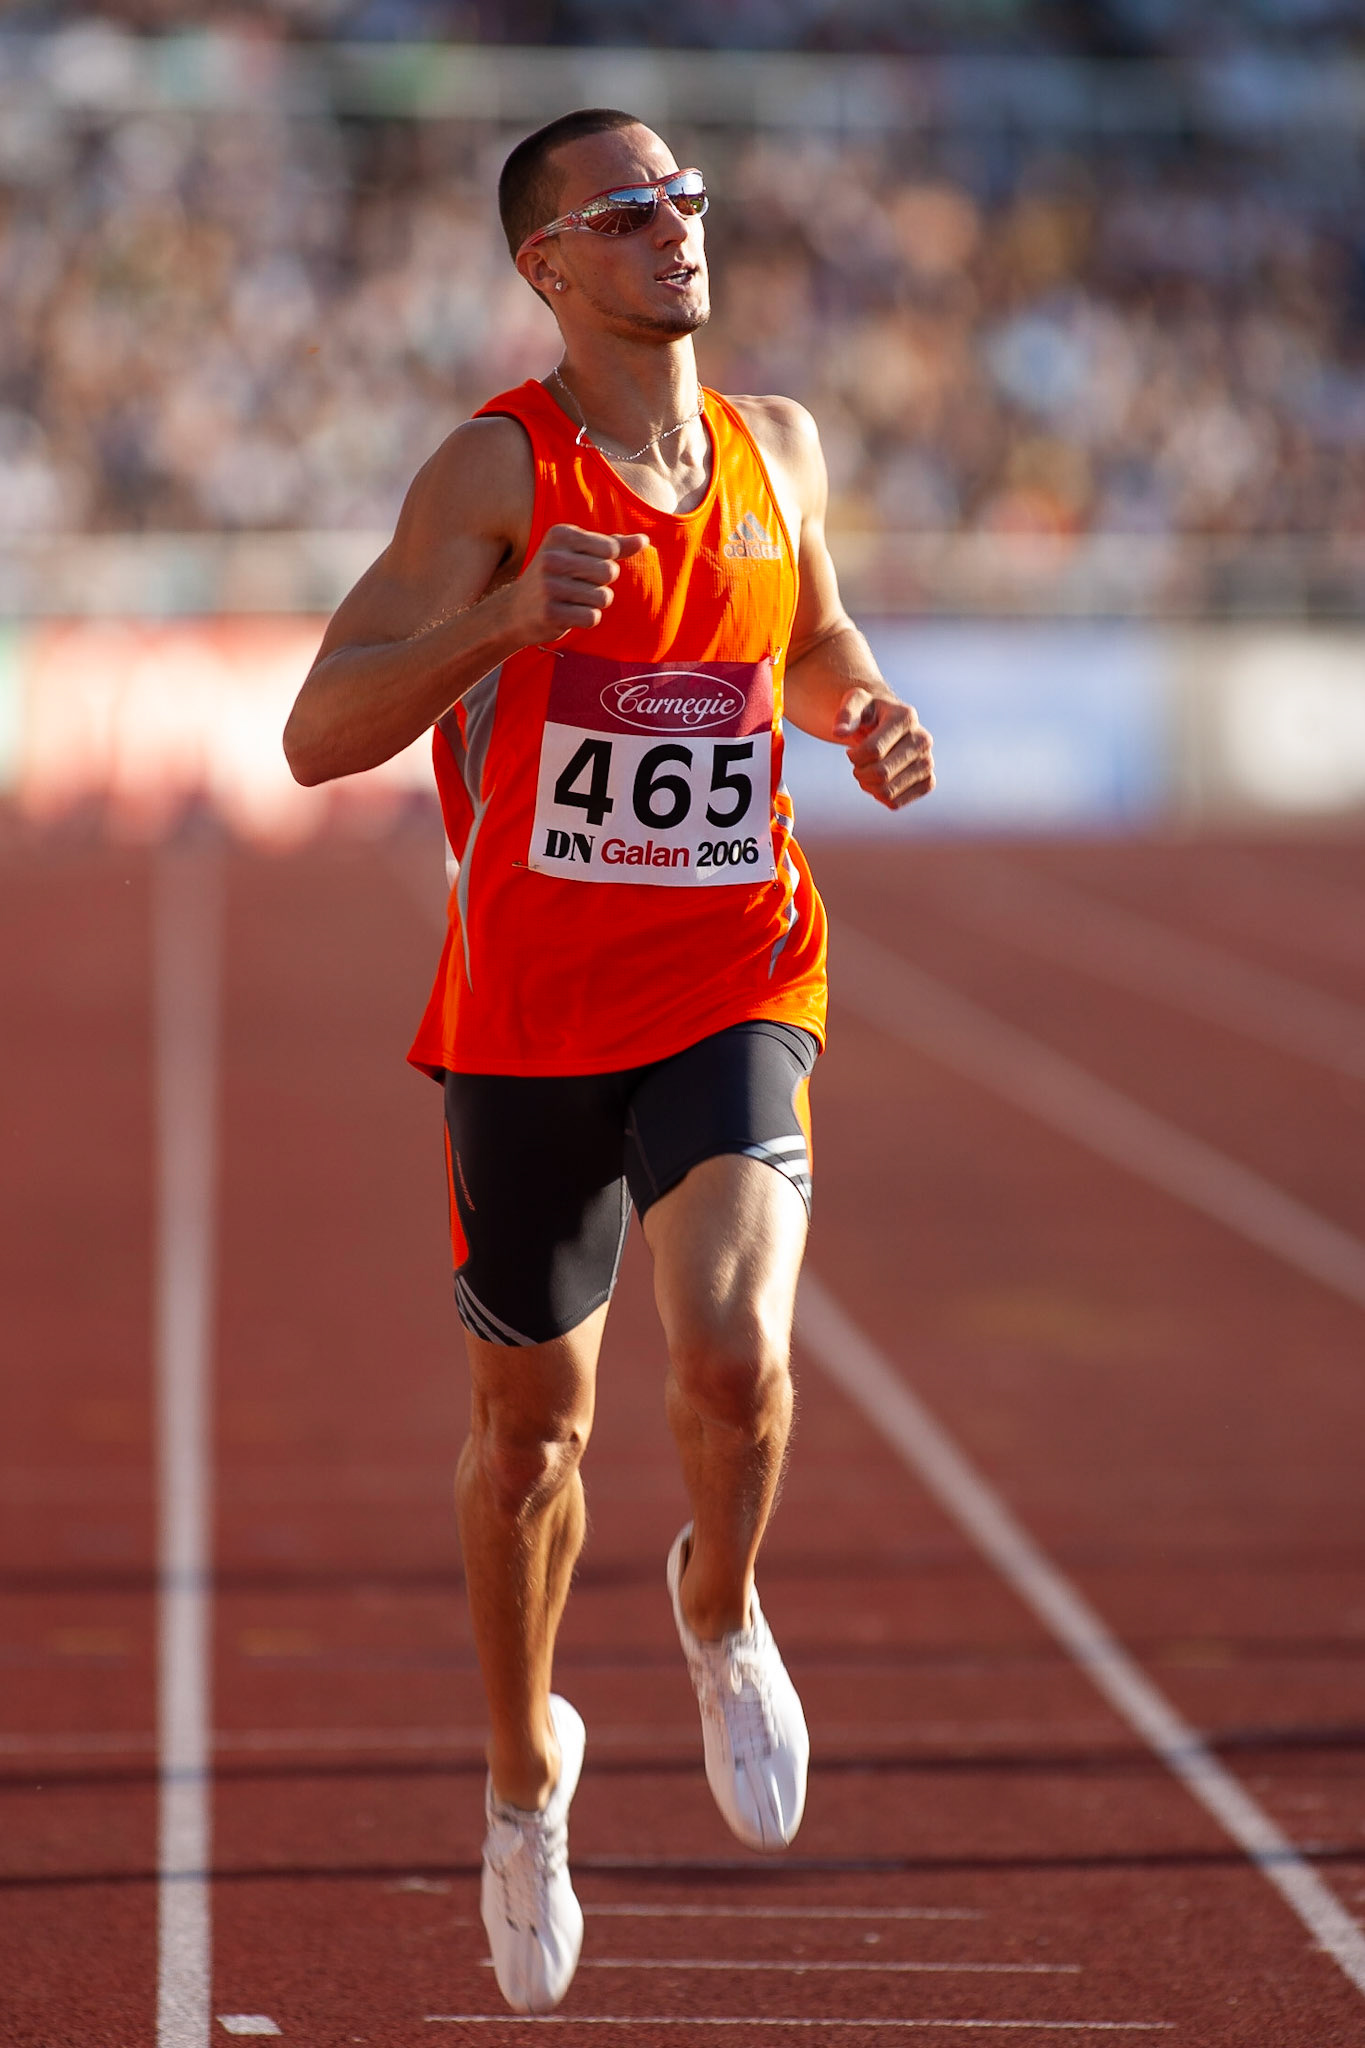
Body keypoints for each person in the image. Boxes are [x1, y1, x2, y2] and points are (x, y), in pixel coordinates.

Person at [284, 106, 934, 2015]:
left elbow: (812, 639)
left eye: (686, 198)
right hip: (530, 1017)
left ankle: (717, 1608)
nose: (675, 228)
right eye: (628, 211)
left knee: (731, 1357)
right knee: (529, 1444)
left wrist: (863, 713)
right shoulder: (496, 467)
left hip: (734, 968)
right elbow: (318, 732)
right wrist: (503, 617)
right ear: (546, 266)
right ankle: (524, 1785)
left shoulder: (777, 447)